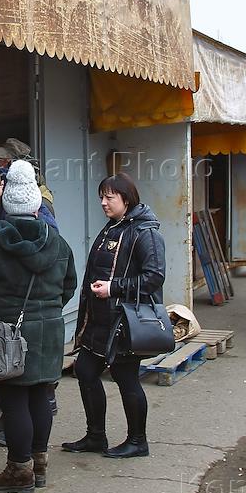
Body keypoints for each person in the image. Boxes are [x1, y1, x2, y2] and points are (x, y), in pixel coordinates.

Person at [0, 161, 77, 493]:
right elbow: (69, 286)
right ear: (36, 204)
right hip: (49, 334)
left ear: (7, 203)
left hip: (4, 335)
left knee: (13, 402)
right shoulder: (58, 243)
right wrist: (48, 313)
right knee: (40, 396)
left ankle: (19, 471)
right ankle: (39, 465)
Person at [63, 173, 164, 459]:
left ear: (126, 199)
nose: (103, 203)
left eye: (109, 197)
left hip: (124, 321)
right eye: (101, 197)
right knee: (85, 371)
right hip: (99, 319)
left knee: (126, 378)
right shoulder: (113, 227)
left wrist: (113, 287)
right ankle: (95, 436)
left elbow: (154, 277)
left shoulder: (146, 232)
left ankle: (138, 441)